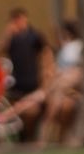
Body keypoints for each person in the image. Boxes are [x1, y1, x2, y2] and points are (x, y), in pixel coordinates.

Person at [3, 9, 50, 138]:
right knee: (15, 110)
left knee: (30, 112)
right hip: (17, 83)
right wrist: (7, 34)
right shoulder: (12, 38)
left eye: (20, 19)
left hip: (32, 82)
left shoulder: (35, 36)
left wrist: (44, 75)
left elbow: (45, 53)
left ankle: (29, 136)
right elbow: (1, 51)